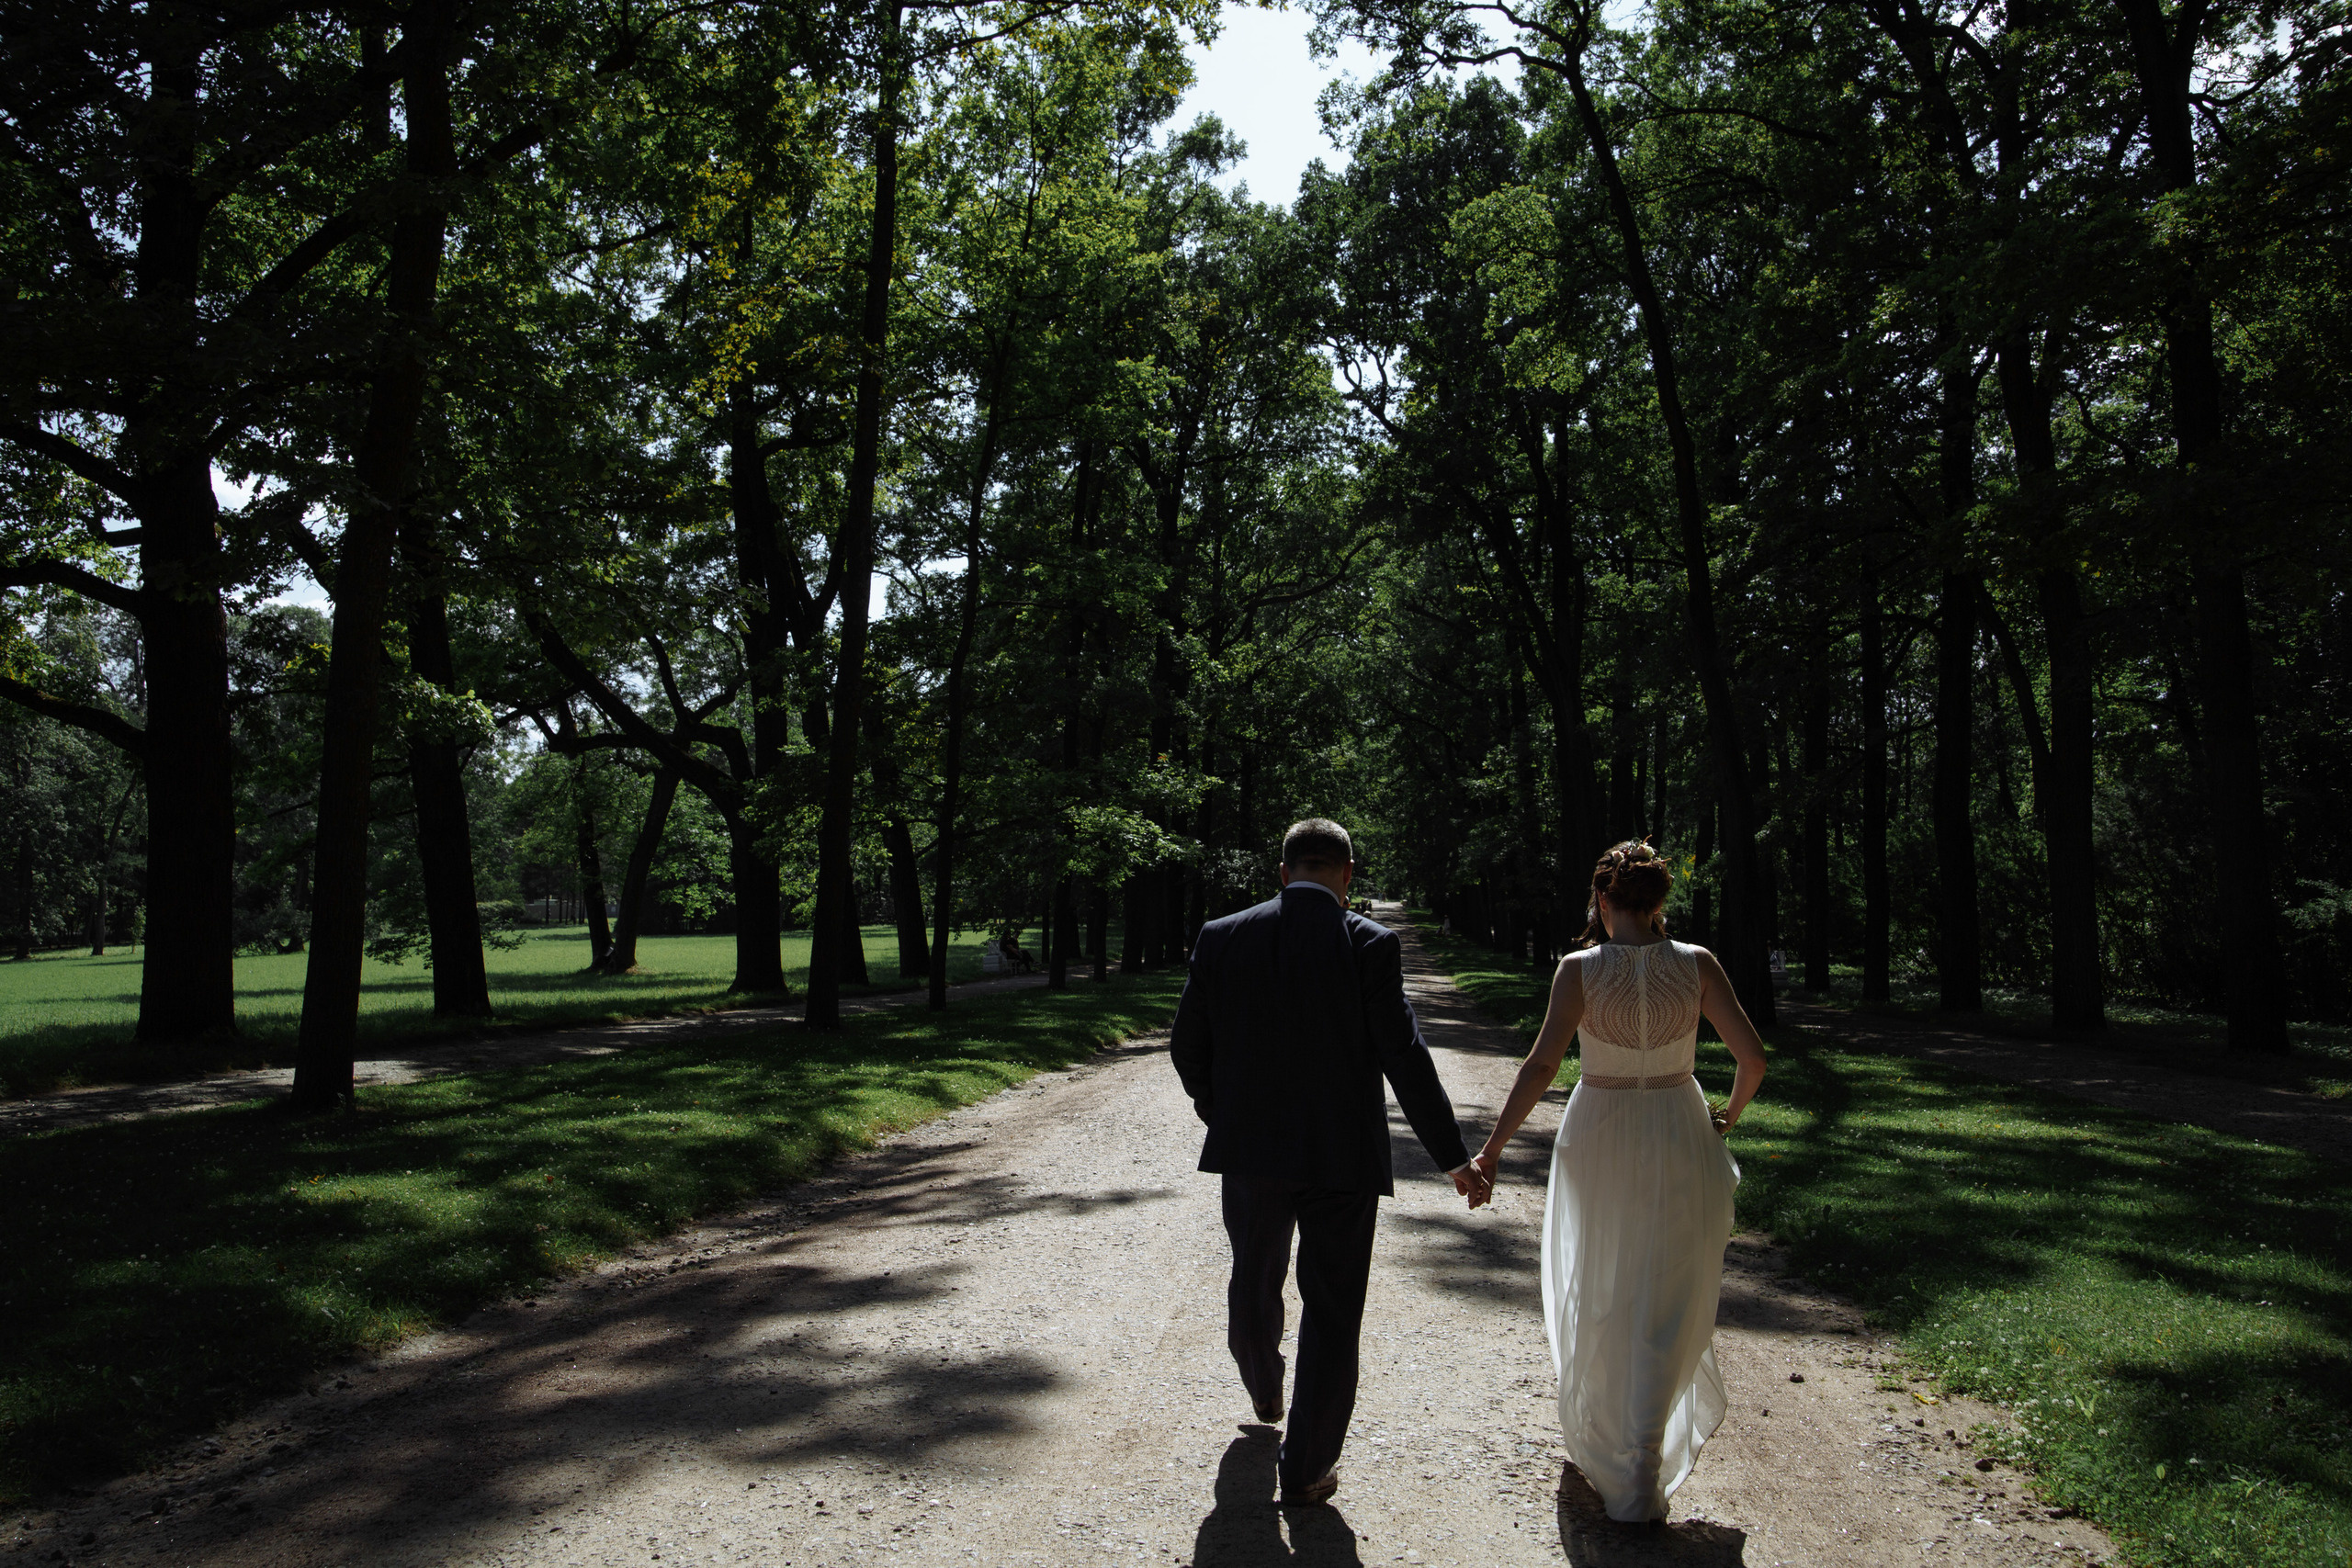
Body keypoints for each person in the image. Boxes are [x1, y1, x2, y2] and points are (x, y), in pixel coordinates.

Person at [1170, 818, 1490, 1508]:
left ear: (1283, 872)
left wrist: (1217, 1108)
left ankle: (1262, 1380)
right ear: (1347, 876)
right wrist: (1453, 1157)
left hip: (1251, 1150)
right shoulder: (1370, 943)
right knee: (1334, 1305)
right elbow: (1403, 1053)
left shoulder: (1222, 935)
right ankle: (1308, 1466)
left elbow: (1186, 1044)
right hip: (1343, 1155)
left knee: (1253, 1271)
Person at [1469, 839, 1767, 1524]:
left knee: (1605, 1283)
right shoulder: (1697, 965)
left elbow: (1541, 1066)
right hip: (1677, 1126)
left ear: (1602, 900)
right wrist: (1726, 1117)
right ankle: (1642, 1459)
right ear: (1661, 901)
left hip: (1599, 1129)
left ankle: (1615, 1447)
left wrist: (1491, 1150)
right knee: (1668, 1288)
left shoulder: (1578, 970)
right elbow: (1752, 1058)